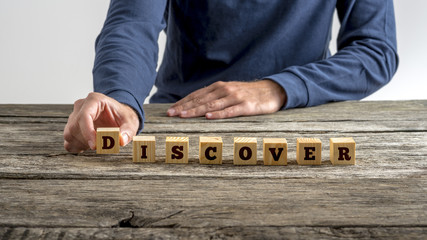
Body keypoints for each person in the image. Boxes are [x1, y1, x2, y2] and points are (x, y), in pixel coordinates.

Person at [64, 0, 398, 153]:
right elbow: (132, 24)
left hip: (301, 123)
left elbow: (376, 50)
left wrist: (278, 88)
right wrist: (120, 97)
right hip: (181, 122)